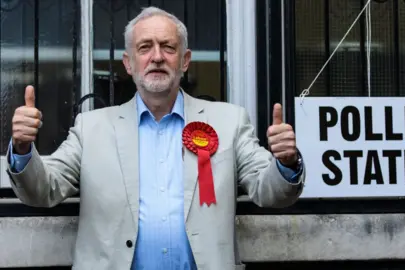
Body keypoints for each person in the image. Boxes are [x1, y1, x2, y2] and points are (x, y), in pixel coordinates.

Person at [6, 6, 305, 270]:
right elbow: (43, 190)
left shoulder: (229, 122)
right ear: (128, 63)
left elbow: (271, 193)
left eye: (168, 47)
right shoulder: (91, 128)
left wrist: (286, 164)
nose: (157, 57)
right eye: (145, 47)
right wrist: (22, 148)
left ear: (185, 60)